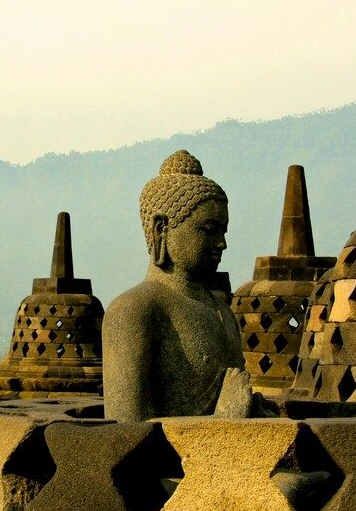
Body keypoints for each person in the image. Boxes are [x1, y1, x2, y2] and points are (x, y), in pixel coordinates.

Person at [103, 150, 255, 422]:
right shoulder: (133, 311)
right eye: (209, 229)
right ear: (161, 228)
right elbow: (124, 431)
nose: (222, 243)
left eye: (223, 231)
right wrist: (225, 418)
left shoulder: (222, 312)